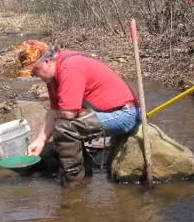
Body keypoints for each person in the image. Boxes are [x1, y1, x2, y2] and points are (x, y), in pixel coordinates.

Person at [19, 41, 140, 187]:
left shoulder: (70, 67)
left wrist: (70, 115)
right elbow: (54, 110)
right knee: (64, 124)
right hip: (105, 112)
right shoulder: (53, 75)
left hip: (125, 114)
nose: (35, 75)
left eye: (35, 71)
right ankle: (85, 176)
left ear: (47, 61)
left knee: (65, 128)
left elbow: (68, 114)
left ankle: (73, 184)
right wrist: (39, 141)